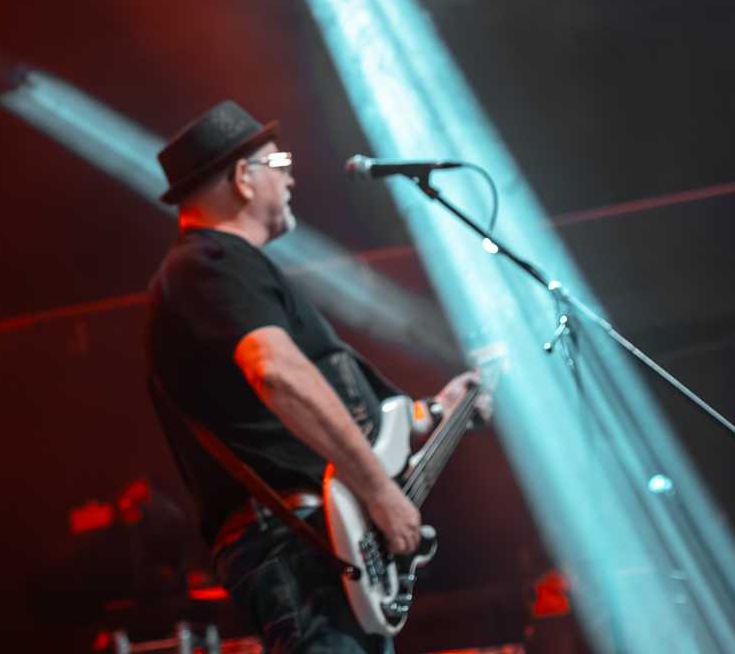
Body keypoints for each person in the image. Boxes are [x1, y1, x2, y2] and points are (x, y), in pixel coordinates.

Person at [142, 102, 488, 654]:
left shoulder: (226, 269)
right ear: (242, 177)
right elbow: (278, 373)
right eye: (278, 162)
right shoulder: (210, 262)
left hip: (318, 537)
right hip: (296, 538)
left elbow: (348, 412)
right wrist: (379, 491)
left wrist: (442, 410)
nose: (292, 176)